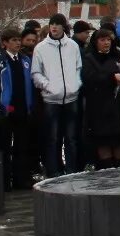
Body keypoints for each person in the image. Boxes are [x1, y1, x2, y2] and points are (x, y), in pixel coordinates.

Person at [32, 13, 84, 176]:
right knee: (53, 139)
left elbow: (78, 68)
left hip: (71, 98)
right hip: (51, 100)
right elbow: (36, 73)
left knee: (71, 138)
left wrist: (76, 84)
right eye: (52, 24)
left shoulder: (72, 46)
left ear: (64, 27)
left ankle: (71, 170)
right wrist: (48, 86)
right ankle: (53, 171)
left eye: (57, 24)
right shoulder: (40, 48)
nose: (54, 27)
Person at [0, 28, 37, 190]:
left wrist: (30, 107)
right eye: (13, 40)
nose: (17, 43)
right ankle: (4, 181)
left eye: (18, 40)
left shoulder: (25, 60)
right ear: (5, 43)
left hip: (23, 109)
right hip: (6, 110)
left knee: (22, 146)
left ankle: (20, 179)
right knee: (4, 147)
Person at [81, 28, 120, 169]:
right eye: (102, 40)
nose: (106, 43)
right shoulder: (89, 58)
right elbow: (90, 78)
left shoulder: (118, 56)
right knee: (103, 143)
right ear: (96, 42)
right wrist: (111, 78)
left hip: (118, 108)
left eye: (108, 40)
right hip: (99, 108)